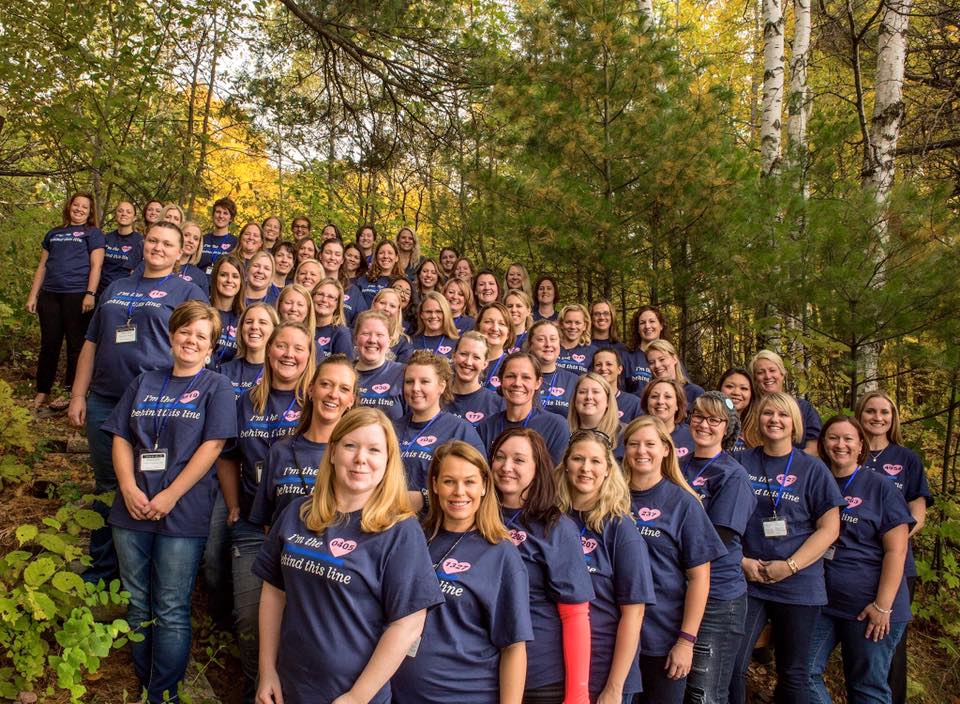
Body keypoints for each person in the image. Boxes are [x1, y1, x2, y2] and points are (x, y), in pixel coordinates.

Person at [253, 407, 444, 704]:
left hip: (352, 695)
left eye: (374, 450)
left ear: (388, 461)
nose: (360, 459)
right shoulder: (297, 513)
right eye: (351, 445)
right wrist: (266, 671)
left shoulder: (400, 531)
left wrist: (357, 696)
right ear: (332, 452)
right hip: (288, 687)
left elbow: (408, 624)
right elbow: (274, 593)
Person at [103, 301, 236, 704]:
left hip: (183, 510)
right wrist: (128, 487)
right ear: (172, 335)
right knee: (136, 601)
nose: (191, 340)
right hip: (132, 508)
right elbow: (121, 437)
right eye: (185, 331)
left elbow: (213, 446)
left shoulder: (217, 386)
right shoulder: (144, 381)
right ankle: (145, 683)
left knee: (171, 606)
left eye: (201, 336)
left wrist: (171, 494)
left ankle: (163, 695)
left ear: (211, 347)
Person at [67, 221, 206, 583]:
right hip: (105, 399)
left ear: (181, 252)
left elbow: (199, 346)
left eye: (168, 244)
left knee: (146, 484)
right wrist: (78, 394)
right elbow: (92, 343)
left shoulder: (188, 292)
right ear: (144, 244)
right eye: (153, 241)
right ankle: (102, 570)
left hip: (156, 405)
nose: (158, 248)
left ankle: (141, 576)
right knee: (108, 485)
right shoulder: (116, 287)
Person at [218, 321, 315, 702]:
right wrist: (232, 504)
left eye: (298, 348)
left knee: (301, 620)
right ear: (269, 350)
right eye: (282, 346)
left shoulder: (317, 400)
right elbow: (228, 457)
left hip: (308, 532)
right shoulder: (246, 402)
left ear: (309, 355)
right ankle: (254, 689)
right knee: (248, 618)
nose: (289, 355)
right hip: (253, 525)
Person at [392, 440, 532, 704]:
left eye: (469, 482)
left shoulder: (500, 553)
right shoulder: (415, 536)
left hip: (465, 694)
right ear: (434, 485)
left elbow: (513, 647)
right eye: (449, 481)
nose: (459, 492)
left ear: (484, 486)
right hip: (399, 694)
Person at [730, 392, 845, 704]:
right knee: (733, 664)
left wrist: (790, 566)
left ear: (794, 423)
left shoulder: (813, 469)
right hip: (748, 580)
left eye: (782, 415)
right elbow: (721, 520)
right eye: (768, 413)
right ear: (758, 419)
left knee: (793, 673)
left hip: (798, 583)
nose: (774, 420)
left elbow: (829, 528)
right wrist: (742, 561)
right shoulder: (740, 462)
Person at [808, 416, 913, 704]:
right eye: (833, 437)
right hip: (823, 603)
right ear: (823, 443)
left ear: (860, 446)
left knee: (867, 688)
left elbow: (897, 551)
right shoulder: (817, 480)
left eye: (848, 439)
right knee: (802, 674)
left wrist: (882, 606)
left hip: (869, 608)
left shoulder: (880, 487)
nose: (840, 444)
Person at [623, 416, 726, 704]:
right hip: (614, 633)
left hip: (662, 637)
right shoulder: (612, 498)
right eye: (633, 444)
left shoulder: (684, 503)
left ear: (666, 449)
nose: (641, 451)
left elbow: (699, 578)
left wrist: (686, 641)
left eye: (650, 444)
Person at [491, 427, 594, 704]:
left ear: (538, 468)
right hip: (481, 670)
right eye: (499, 457)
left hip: (539, 676)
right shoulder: (477, 516)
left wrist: (577, 696)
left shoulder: (556, 527)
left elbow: (575, 615)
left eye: (519, 460)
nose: (506, 467)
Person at [557, 429, 656, 704]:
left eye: (595, 461)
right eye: (578, 459)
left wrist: (614, 688)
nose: (585, 468)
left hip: (605, 670)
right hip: (559, 665)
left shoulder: (620, 529)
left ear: (608, 470)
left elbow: (634, 614)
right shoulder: (551, 519)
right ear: (566, 464)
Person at [855, 390, 931, 704]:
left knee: (889, 644)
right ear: (860, 415)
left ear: (893, 418)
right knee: (858, 644)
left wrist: (890, 540)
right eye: (870, 411)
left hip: (896, 563)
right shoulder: (846, 451)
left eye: (884, 412)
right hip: (849, 563)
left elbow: (918, 515)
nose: (877, 417)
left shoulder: (907, 459)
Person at [682, 393, 757, 704]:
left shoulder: (733, 475)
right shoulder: (678, 464)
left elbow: (718, 539)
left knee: (705, 693)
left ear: (728, 428)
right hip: (679, 591)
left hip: (717, 597)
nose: (704, 424)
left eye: (714, 420)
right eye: (699, 416)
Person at [249, 354, 357, 527]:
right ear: (311, 389)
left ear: (351, 400)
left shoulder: (356, 456)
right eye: (326, 384)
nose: (333, 394)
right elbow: (268, 524)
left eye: (344, 389)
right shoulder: (280, 451)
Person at [27, 192, 105, 412]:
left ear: (90, 212)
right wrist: (33, 295)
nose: (79, 209)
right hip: (50, 295)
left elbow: (96, 265)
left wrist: (90, 293)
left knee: (75, 346)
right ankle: (42, 390)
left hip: (77, 294)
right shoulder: (54, 233)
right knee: (49, 344)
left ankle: (71, 391)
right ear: (69, 207)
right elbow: (42, 266)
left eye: (84, 207)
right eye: (76, 205)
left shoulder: (93, 233)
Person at [393, 350, 485, 511]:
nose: (415, 388)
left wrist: (425, 499)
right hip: (390, 519)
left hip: (436, 520)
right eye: (409, 381)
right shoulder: (392, 428)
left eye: (424, 381)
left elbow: (478, 485)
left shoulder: (460, 430)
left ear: (441, 386)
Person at [476, 352, 570, 465]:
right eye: (510, 376)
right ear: (501, 381)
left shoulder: (555, 426)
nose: (517, 383)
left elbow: (554, 474)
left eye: (526, 377)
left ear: (538, 383)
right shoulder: (486, 427)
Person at [749, 350, 822, 454]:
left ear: (782, 374)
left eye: (772, 370)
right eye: (760, 372)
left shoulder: (803, 408)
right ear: (755, 379)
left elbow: (815, 449)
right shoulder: (748, 410)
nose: (767, 376)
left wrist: (785, 462)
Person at [354, 310, 406, 421]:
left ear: (389, 341)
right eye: (366, 334)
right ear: (356, 338)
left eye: (379, 335)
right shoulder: (344, 373)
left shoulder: (402, 373)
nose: (372, 340)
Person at [445, 332, 504, 427]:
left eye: (476, 357)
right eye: (463, 354)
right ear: (453, 356)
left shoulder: (497, 405)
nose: (468, 362)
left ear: (485, 364)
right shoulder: (436, 397)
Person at [220, 303, 278, 396]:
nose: (254, 327)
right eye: (249, 322)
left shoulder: (278, 372)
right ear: (241, 328)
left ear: (274, 330)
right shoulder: (224, 371)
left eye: (262, 322)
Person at [526, 319, 578, 419]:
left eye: (553, 339)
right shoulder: (520, 377)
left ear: (559, 344)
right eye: (541, 339)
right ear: (530, 344)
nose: (548, 344)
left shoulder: (574, 381)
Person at [637, 339, 704, 408]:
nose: (657, 365)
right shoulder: (645, 395)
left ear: (674, 359)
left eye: (662, 359)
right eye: (651, 362)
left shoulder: (695, 393)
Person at [641, 378, 695, 458]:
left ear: (677, 405)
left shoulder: (692, 436)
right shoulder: (635, 434)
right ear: (647, 403)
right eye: (654, 396)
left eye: (667, 396)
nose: (660, 401)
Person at [567, 373, 621, 453]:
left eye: (596, 392)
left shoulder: (623, 434)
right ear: (575, 399)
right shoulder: (563, 432)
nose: (589, 397)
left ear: (608, 400)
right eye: (582, 392)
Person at [209, 254, 245, 369]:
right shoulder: (203, 311)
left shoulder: (245, 318)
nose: (229, 280)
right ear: (215, 278)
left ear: (241, 282)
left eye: (235, 276)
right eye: (223, 275)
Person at [99, 200, 143, 293]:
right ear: (115, 215)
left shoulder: (140, 241)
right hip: (102, 289)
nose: (124, 214)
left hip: (124, 291)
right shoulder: (106, 238)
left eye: (128, 212)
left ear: (134, 218)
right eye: (120, 211)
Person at [625, 305, 670, 391]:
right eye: (642, 323)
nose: (647, 326)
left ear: (661, 325)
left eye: (652, 321)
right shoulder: (627, 358)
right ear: (638, 329)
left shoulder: (670, 356)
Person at [591, 348, 643, 424]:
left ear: (619, 369)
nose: (603, 368)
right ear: (593, 370)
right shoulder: (587, 400)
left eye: (609, 364)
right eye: (598, 365)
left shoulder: (634, 403)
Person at [474, 302, 514, 390]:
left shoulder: (513, 366)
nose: (495, 328)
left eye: (502, 324)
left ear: (508, 333)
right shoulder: (466, 361)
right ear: (478, 326)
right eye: (488, 322)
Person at [719, 367, 758, 457]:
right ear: (720, 389)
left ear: (751, 394)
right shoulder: (705, 424)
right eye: (730, 386)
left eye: (743, 388)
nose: (736, 392)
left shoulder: (760, 428)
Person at [312, 277, 354, 360]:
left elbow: (344, 366)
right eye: (320, 294)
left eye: (330, 297)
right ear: (312, 297)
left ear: (337, 304)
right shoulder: (302, 327)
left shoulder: (341, 333)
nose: (324, 299)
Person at [410, 291, 459, 360]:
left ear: (446, 313)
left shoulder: (457, 343)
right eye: (428, 312)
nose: (433, 316)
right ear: (421, 314)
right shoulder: (410, 342)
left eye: (439, 311)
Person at [372, 287, 413, 362]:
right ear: (374, 304)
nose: (386, 309)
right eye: (382, 303)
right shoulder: (357, 332)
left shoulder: (404, 342)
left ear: (398, 311)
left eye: (392, 306)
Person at [358, 239, 403, 305]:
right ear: (376, 257)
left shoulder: (402, 282)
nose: (385, 256)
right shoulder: (363, 280)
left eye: (390, 253)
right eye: (381, 253)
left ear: (396, 258)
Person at [198, 197, 237, 272]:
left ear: (231, 218)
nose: (221, 216)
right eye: (218, 212)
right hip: (200, 278)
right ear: (213, 215)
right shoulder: (202, 239)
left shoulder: (235, 242)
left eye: (225, 213)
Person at [557, 304, 595, 375]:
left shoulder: (592, 352)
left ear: (585, 326)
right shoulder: (551, 347)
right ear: (561, 324)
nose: (573, 327)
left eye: (577, 323)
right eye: (568, 322)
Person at [175, 221, 209, 294]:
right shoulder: (161, 266)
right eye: (186, 235)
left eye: (196, 239)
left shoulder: (200, 276)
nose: (191, 241)